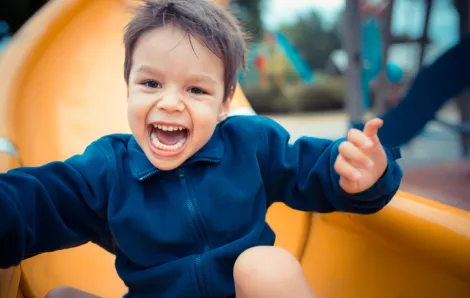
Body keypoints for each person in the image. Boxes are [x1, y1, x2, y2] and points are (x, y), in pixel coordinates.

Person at [0, 1, 403, 297]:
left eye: (196, 89)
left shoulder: (252, 145)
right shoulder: (108, 169)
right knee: (61, 297)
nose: (171, 103)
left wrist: (361, 174)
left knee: (264, 263)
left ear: (224, 104)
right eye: (151, 84)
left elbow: (311, 170)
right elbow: (41, 200)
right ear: (128, 89)